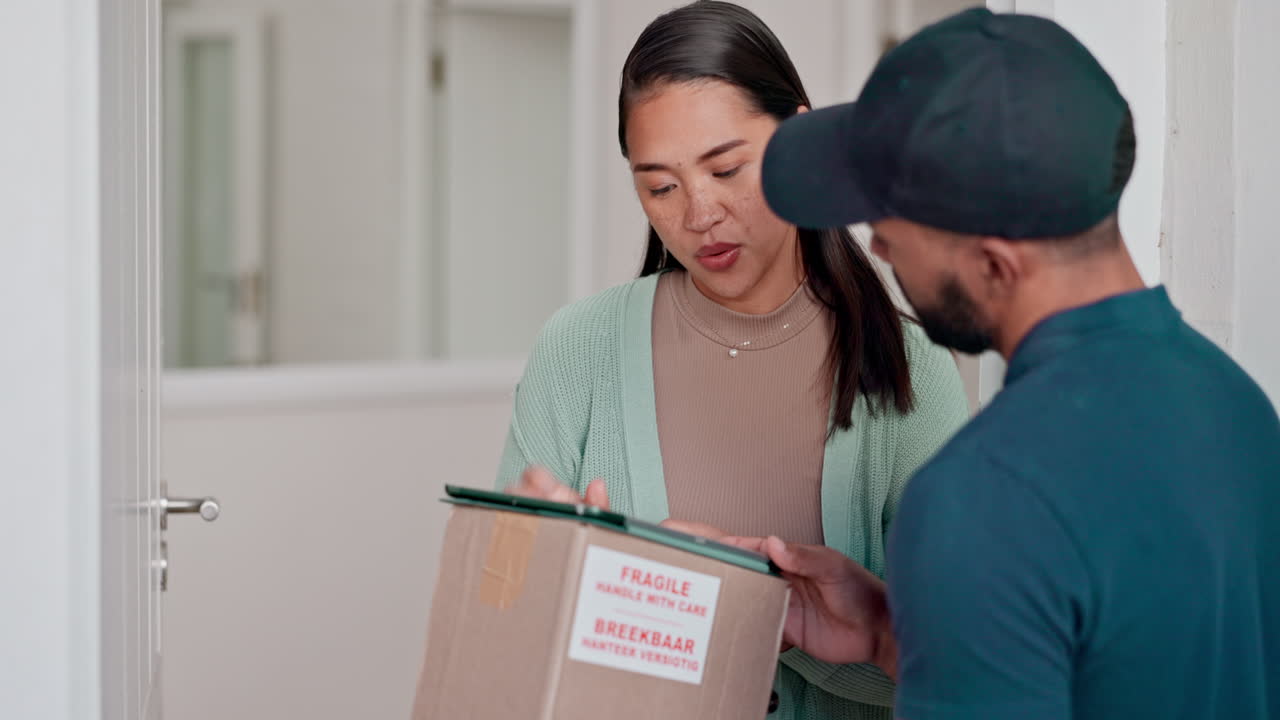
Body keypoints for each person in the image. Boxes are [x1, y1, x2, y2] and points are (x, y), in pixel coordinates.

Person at [746, 7, 1280, 719]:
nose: (878, 249)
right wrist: (890, 634)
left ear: (995, 263)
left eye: (888, 224)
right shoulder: (1239, 408)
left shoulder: (979, 500)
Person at [495, 2, 970, 718]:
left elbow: (963, 666)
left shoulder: (910, 369)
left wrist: (791, 629)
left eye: (726, 169)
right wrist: (579, 585)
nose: (699, 214)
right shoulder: (578, 351)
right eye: (661, 186)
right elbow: (501, 618)